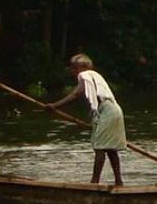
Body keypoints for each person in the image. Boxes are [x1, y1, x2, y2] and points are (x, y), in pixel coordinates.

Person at [46, 54, 126, 187]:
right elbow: (96, 102)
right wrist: (92, 121)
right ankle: (119, 181)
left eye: (74, 68)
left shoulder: (85, 75)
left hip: (108, 111)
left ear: (81, 68)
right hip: (114, 110)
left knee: (100, 148)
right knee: (110, 149)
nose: (72, 71)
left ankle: (94, 183)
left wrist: (55, 105)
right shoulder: (95, 76)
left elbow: (77, 93)